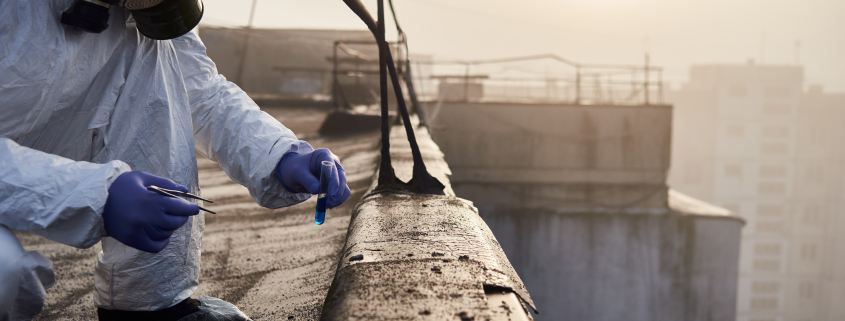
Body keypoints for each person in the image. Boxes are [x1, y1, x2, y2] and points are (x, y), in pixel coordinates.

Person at [0, 1, 350, 320]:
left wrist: (280, 154)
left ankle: (148, 309)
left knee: (155, 61)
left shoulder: (138, 12)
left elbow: (197, 89)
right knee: (5, 273)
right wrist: (92, 196)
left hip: (46, 138)